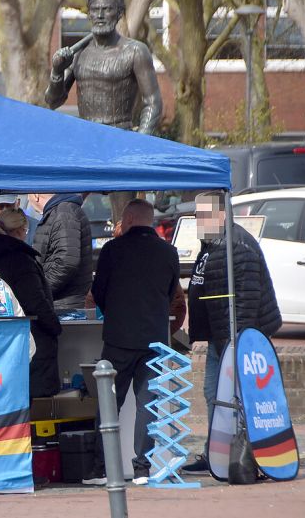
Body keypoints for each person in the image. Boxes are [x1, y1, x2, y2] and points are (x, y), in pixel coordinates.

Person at [181, 191, 282, 475]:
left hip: (237, 338)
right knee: (214, 393)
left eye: (204, 215)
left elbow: (248, 296)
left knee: (236, 396)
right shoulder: (213, 243)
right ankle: (217, 452)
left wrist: (239, 342)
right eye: (197, 215)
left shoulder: (237, 245)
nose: (198, 221)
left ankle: (240, 453)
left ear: (222, 215)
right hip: (220, 336)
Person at [44, 0, 163, 225]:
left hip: (120, 142)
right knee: (63, 208)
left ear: (119, 14)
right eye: (95, 10)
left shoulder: (135, 51)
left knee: (124, 218)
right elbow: (53, 101)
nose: (100, 15)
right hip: (86, 143)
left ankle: (126, 256)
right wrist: (57, 70)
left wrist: (139, 140)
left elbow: (153, 102)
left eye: (107, 9)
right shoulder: (79, 54)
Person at [83, 199, 181, 486]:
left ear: (127, 220)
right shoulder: (169, 252)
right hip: (154, 339)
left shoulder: (112, 250)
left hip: (118, 339)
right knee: (147, 405)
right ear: (150, 221)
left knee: (109, 403)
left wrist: (115, 310)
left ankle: (103, 468)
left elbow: (99, 291)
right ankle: (142, 469)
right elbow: (170, 292)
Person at [0, 208, 62, 398]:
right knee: (33, 404)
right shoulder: (20, 260)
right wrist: (55, 327)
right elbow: (34, 301)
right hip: (31, 340)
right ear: (20, 230)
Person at [28, 193, 93, 309]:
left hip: (65, 306)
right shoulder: (60, 211)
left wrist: (40, 290)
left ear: (36, 195)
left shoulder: (64, 212)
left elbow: (66, 261)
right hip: (63, 303)